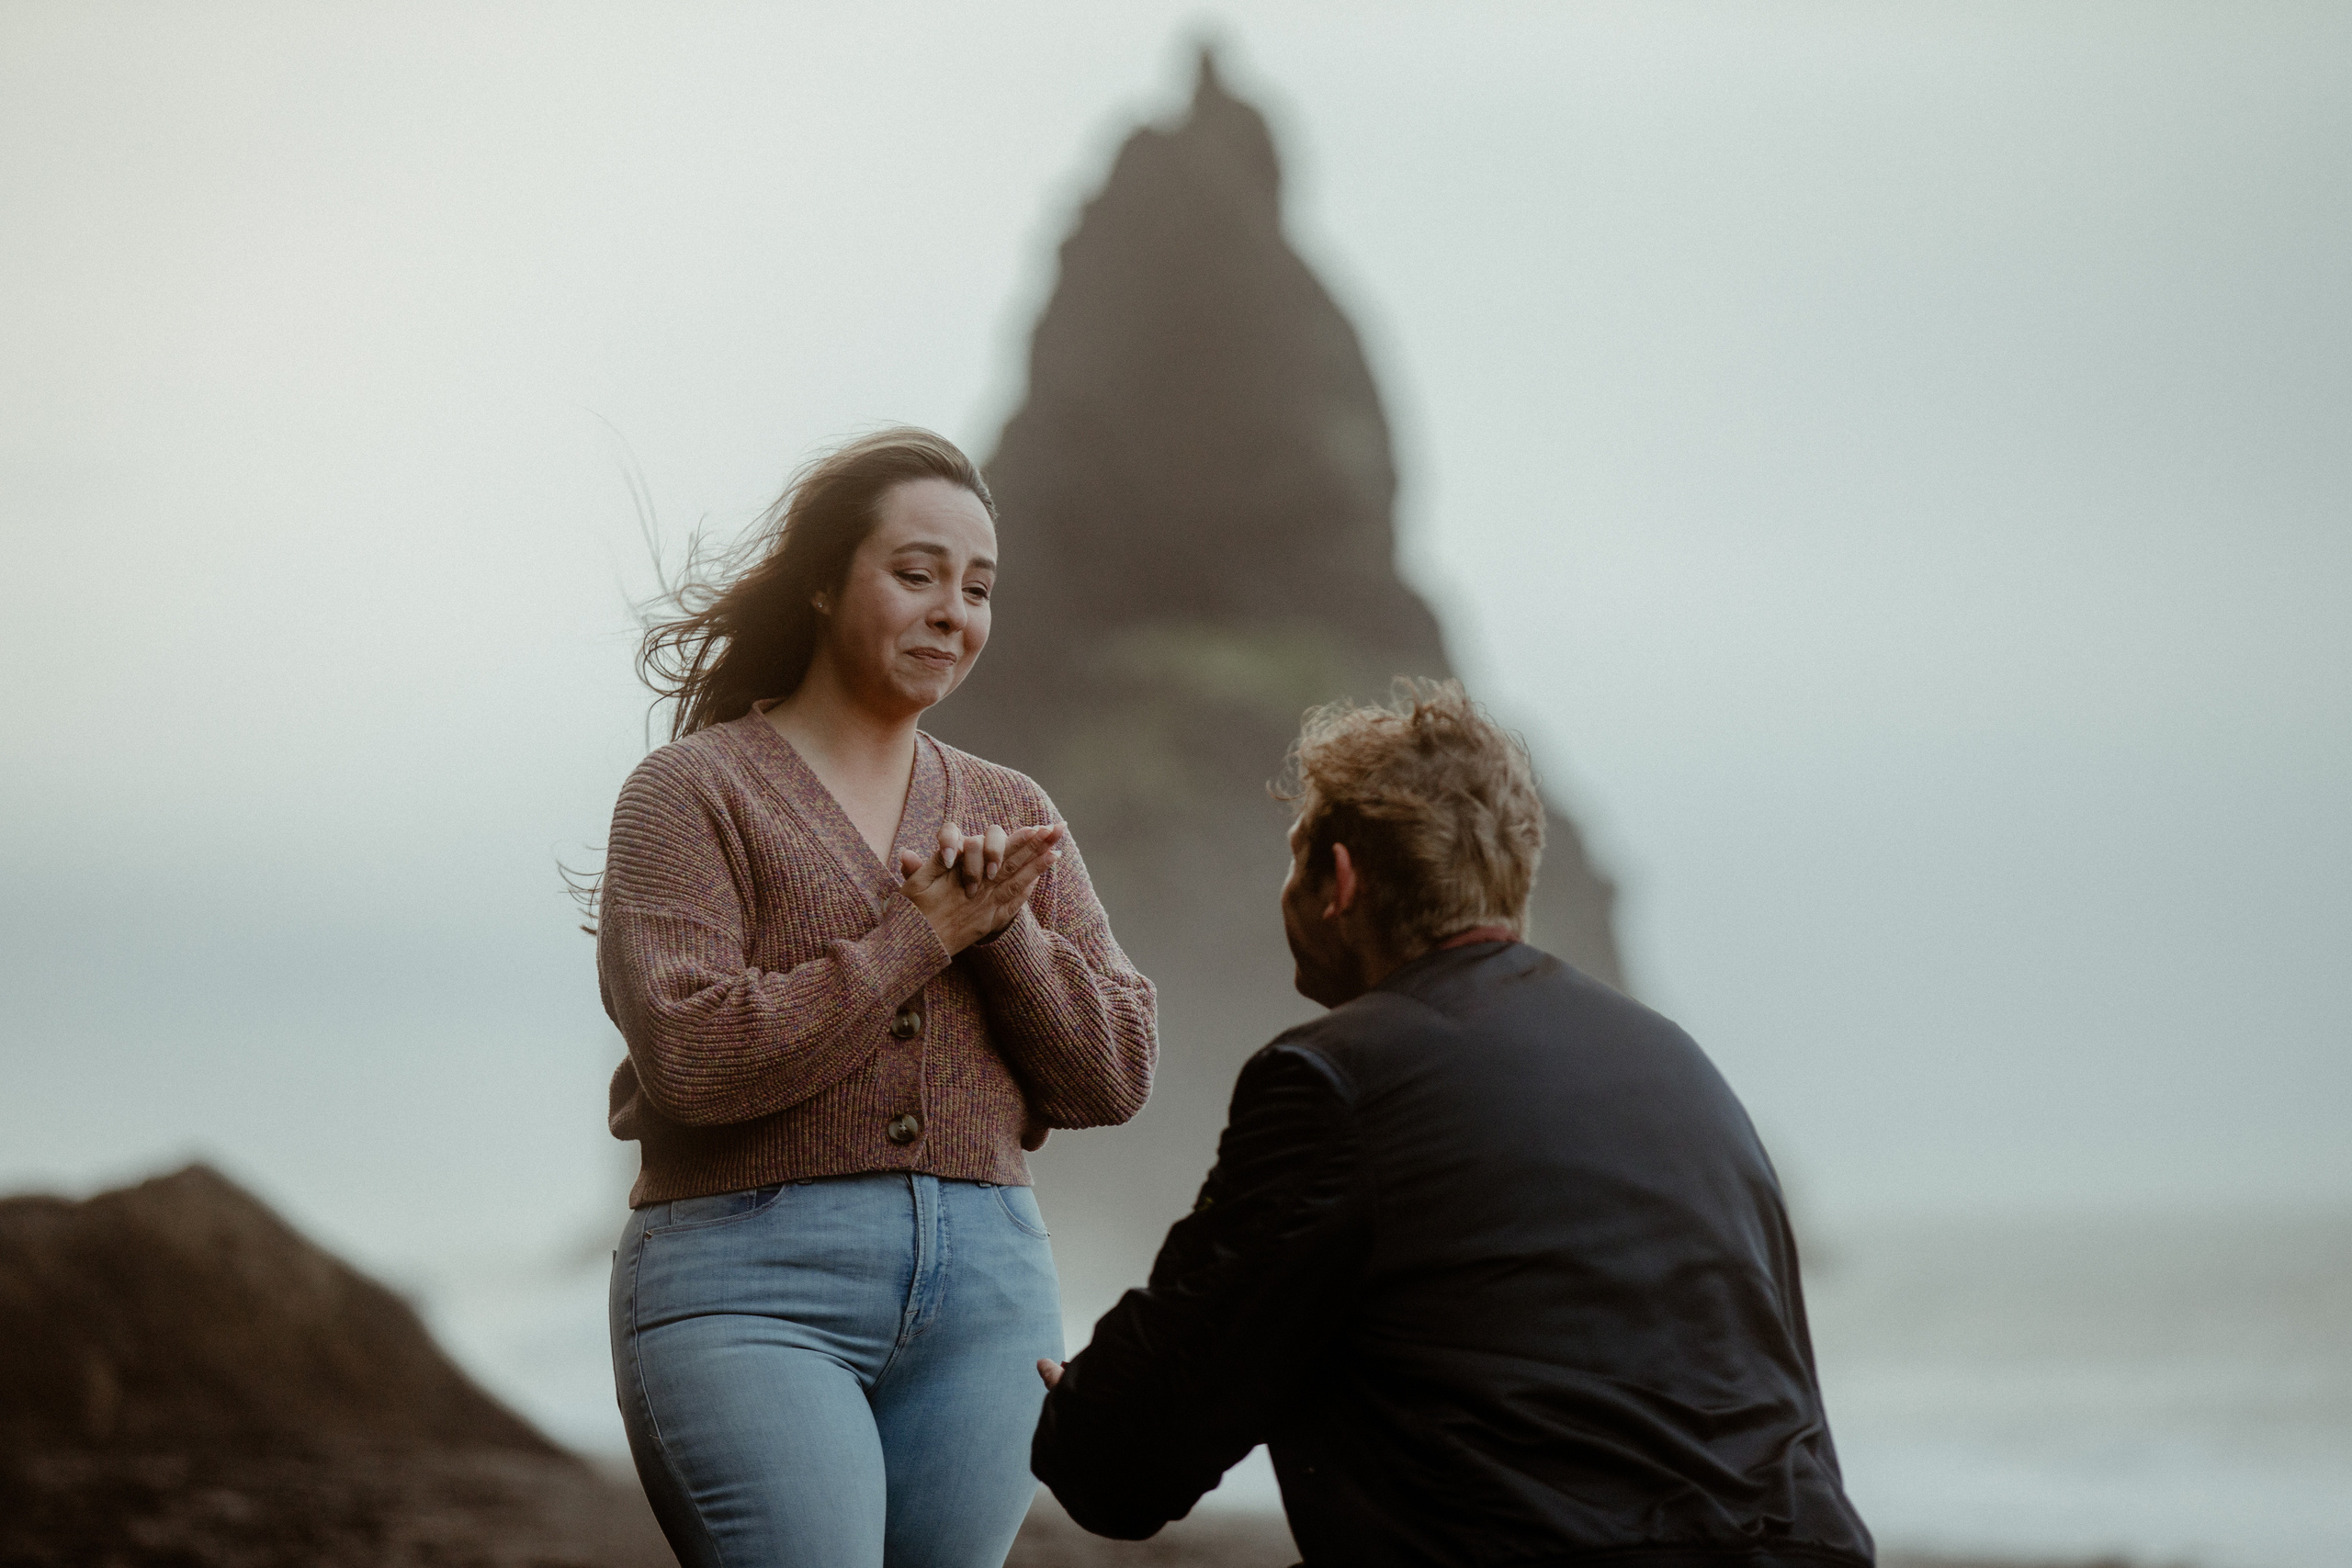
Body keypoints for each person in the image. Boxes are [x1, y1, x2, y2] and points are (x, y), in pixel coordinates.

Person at [1029, 681, 1872, 1568]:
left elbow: (1126, 1465)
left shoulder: (1334, 1078)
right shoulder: (1684, 1070)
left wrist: (1084, 1405)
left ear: (1339, 880)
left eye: (1295, 858)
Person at [596, 427, 1157, 1568]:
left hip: (989, 1298)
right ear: (818, 581)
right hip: (744, 1284)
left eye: (979, 588)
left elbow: (1115, 1074)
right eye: (916, 575)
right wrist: (920, 935)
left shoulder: (1012, 807)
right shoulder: (688, 795)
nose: (954, 611)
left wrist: (1000, 933)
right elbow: (693, 1059)